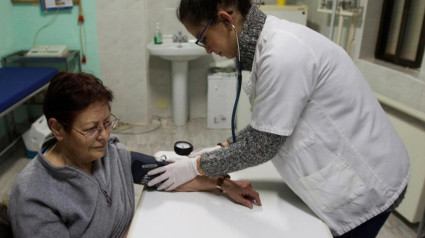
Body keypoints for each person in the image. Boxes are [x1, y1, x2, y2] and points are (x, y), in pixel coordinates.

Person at [147, 0, 411, 237]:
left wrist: (196, 167)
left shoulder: (283, 53)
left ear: (226, 20)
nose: (207, 50)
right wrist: (222, 148)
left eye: (204, 38)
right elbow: (267, 125)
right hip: (350, 170)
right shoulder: (269, 46)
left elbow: (262, 145)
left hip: (368, 181)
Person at [7, 72, 261, 238]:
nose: (104, 136)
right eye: (91, 129)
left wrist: (224, 184)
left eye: (107, 123)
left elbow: (165, 174)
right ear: (57, 129)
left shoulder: (110, 154)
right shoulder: (34, 197)